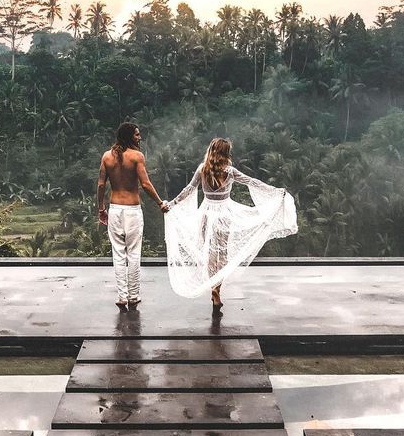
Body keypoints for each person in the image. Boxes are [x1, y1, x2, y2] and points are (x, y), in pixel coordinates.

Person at [163, 138, 298, 311]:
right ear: (226, 153)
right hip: (224, 216)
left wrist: (172, 204)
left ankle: (214, 288)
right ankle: (216, 288)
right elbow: (252, 181)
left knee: (209, 254)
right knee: (222, 254)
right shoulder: (230, 171)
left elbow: (188, 190)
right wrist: (275, 191)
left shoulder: (202, 169)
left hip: (206, 214)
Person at [98, 121, 168, 310]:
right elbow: (145, 184)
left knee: (119, 255)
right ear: (130, 136)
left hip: (115, 209)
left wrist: (101, 209)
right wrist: (160, 203)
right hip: (132, 210)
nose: (140, 137)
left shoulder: (106, 157)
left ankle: (122, 296)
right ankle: (133, 295)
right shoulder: (137, 156)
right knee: (134, 254)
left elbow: (101, 185)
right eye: (137, 134)